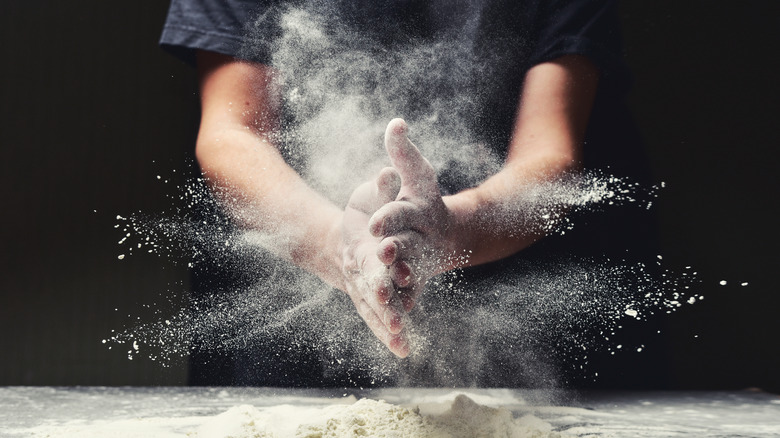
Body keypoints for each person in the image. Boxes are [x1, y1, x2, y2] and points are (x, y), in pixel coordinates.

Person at [161, 0, 664, 387]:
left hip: (516, 303)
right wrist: (338, 244)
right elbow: (232, 135)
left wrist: (449, 230)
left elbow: (549, 157)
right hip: (293, 335)